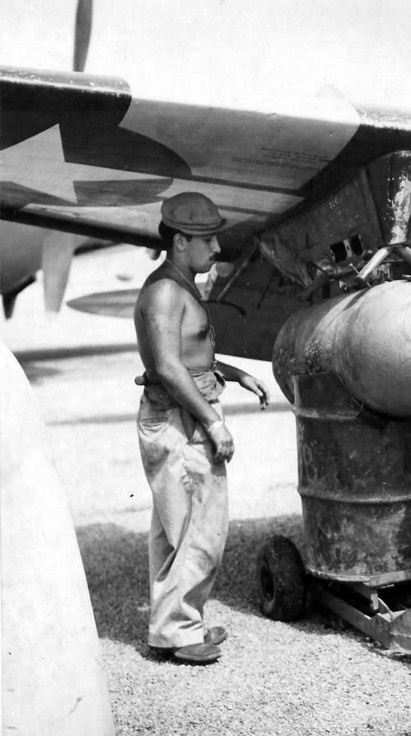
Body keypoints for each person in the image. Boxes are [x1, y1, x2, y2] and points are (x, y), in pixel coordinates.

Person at [134, 192, 268, 665]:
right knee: (195, 531)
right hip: (180, 420)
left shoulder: (180, 285)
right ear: (181, 241)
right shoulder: (166, 293)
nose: (216, 249)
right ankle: (175, 633)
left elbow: (191, 357)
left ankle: (180, 623)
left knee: (185, 527)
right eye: (208, 239)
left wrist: (235, 372)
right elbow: (169, 368)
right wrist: (214, 422)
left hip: (184, 414)